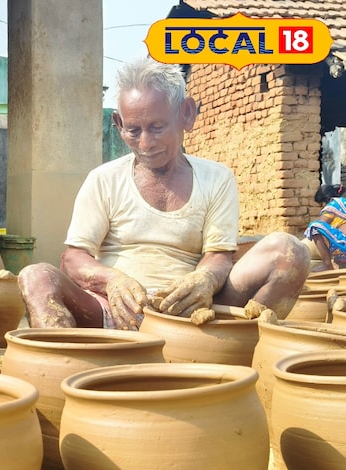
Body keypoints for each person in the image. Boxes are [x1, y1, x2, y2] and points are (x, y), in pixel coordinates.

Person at [18, 57, 310, 331]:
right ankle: (66, 370)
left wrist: (203, 280)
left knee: (289, 251)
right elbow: (72, 259)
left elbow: (219, 257)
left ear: (186, 114)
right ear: (119, 125)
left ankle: (234, 350)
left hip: (193, 313)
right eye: (133, 130)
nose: (145, 143)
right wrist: (113, 281)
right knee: (35, 277)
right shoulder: (104, 179)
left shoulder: (216, 178)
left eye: (157, 127)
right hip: (111, 311)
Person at [305, 183, 346, 272]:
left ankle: (327, 264)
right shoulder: (343, 202)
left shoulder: (332, 205)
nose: (321, 207)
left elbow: (321, 223)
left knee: (314, 227)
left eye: (321, 204)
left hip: (344, 243)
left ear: (327, 199)